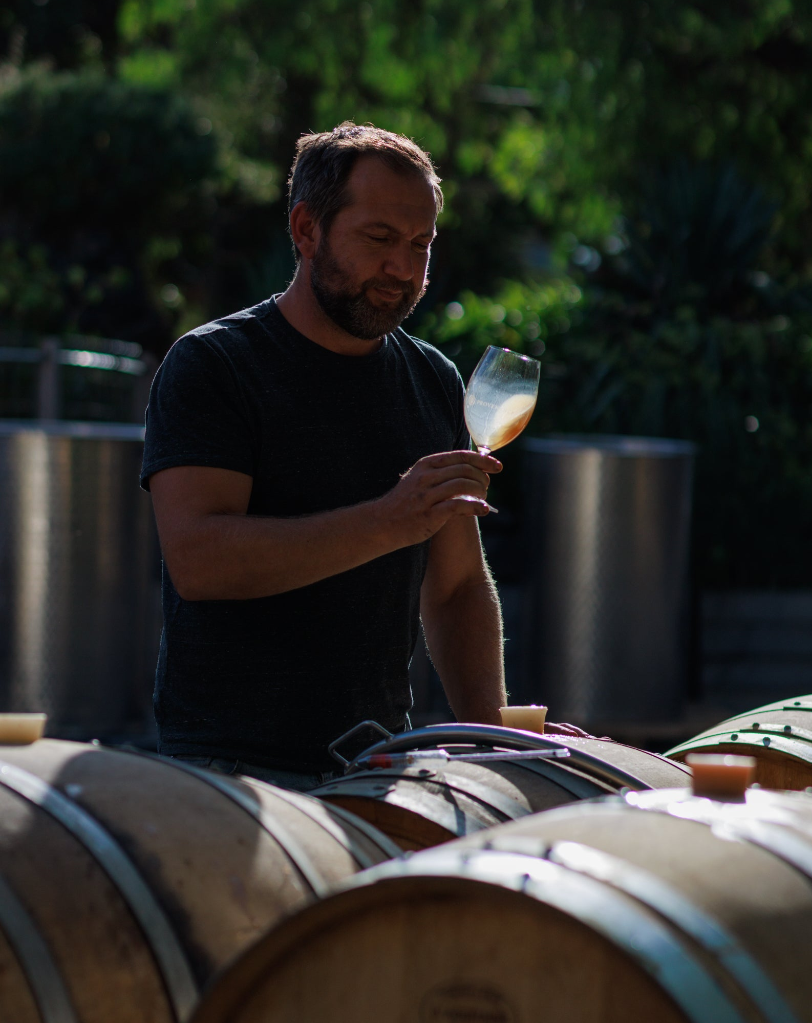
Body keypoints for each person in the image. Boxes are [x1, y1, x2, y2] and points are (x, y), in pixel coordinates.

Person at [142, 123, 580, 791]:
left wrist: (495, 738)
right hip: (227, 774)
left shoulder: (433, 378)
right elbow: (200, 560)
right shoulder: (214, 365)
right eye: (380, 240)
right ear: (307, 230)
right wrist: (389, 520)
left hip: (378, 769)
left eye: (421, 245)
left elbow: (458, 586)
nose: (403, 269)